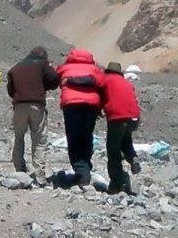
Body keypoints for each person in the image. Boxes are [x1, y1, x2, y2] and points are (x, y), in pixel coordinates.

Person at [7, 46, 59, 186]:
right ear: (43, 56)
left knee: (18, 137)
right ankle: (40, 178)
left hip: (19, 107)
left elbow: (10, 90)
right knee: (39, 141)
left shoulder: (16, 68)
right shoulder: (42, 65)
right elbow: (54, 79)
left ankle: (19, 171)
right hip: (37, 106)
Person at [55, 49, 105, 186]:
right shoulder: (95, 69)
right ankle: (85, 168)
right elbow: (103, 84)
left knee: (74, 138)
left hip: (71, 106)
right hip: (91, 106)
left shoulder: (64, 68)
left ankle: (81, 172)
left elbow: (55, 78)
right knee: (87, 136)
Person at [100, 62, 141, 194]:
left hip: (117, 118)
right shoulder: (126, 83)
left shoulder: (105, 79)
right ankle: (133, 157)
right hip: (134, 117)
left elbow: (99, 95)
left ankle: (116, 184)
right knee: (125, 140)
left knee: (113, 150)